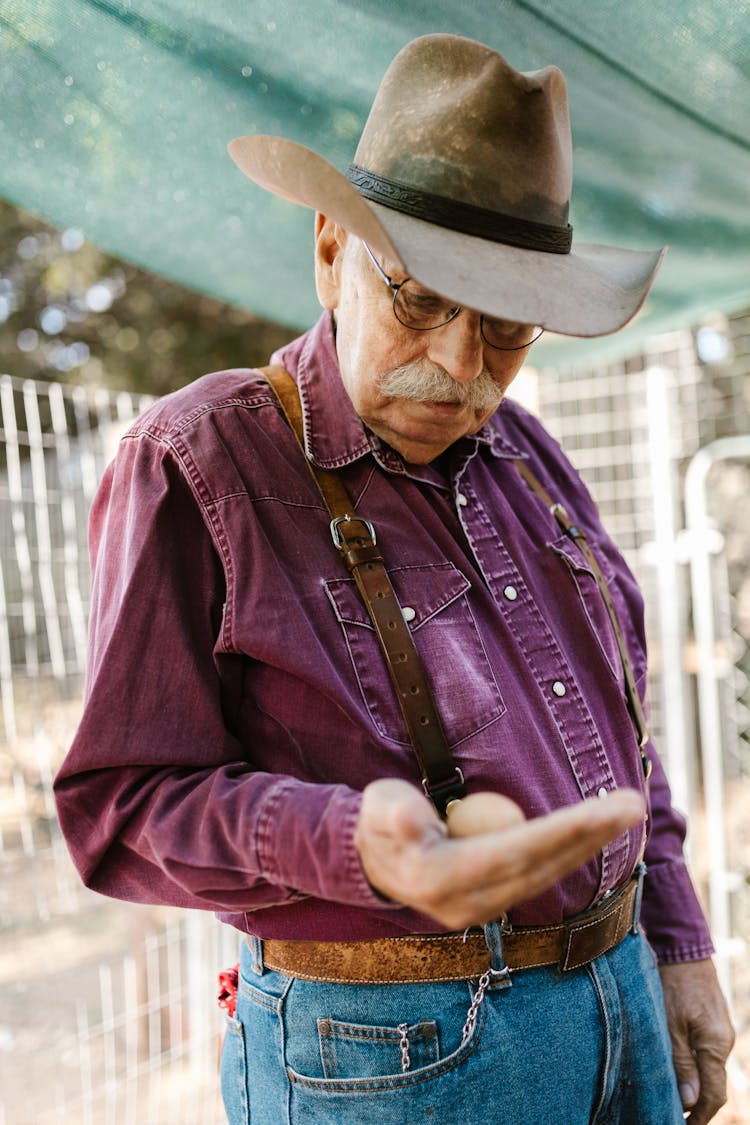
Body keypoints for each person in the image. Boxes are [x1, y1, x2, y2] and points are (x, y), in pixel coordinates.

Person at [55, 32, 734, 1125]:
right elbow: (121, 807)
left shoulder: (532, 456)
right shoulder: (199, 460)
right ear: (331, 250)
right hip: (394, 1055)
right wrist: (357, 847)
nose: (462, 368)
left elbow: (622, 731)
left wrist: (679, 942)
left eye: (508, 327)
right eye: (419, 300)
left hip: (626, 1002)